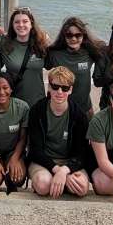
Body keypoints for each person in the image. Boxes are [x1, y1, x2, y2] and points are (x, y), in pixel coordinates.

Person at [27, 66, 91, 198]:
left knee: (81, 188)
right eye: (55, 87)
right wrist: (57, 171)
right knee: (43, 185)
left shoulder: (79, 115)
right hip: (43, 161)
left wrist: (65, 171)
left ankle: (60, 183)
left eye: (65, 88)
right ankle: (54, 182)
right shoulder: (37, 111)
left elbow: (82, 153)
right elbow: (35, 150)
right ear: (49, 87)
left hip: (69, 161)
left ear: (71, 90)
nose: (59, 92)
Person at [44, 17, 102, 117]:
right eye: (69, 35)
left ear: (83, 35)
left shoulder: (91, 51)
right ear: (64, 36)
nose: (73, 39)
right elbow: (39, 59)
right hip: (59, 108)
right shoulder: (54, 54)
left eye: (78, 35)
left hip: (84, 108)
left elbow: (111, 48)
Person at [0, 6, 49, 108]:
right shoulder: (5, 44)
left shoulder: (42, 44)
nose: (21, 25)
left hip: (38, 101)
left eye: (25, 21)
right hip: (14, 102)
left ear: (31, 24)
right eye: (17, 22)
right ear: (12, 25)